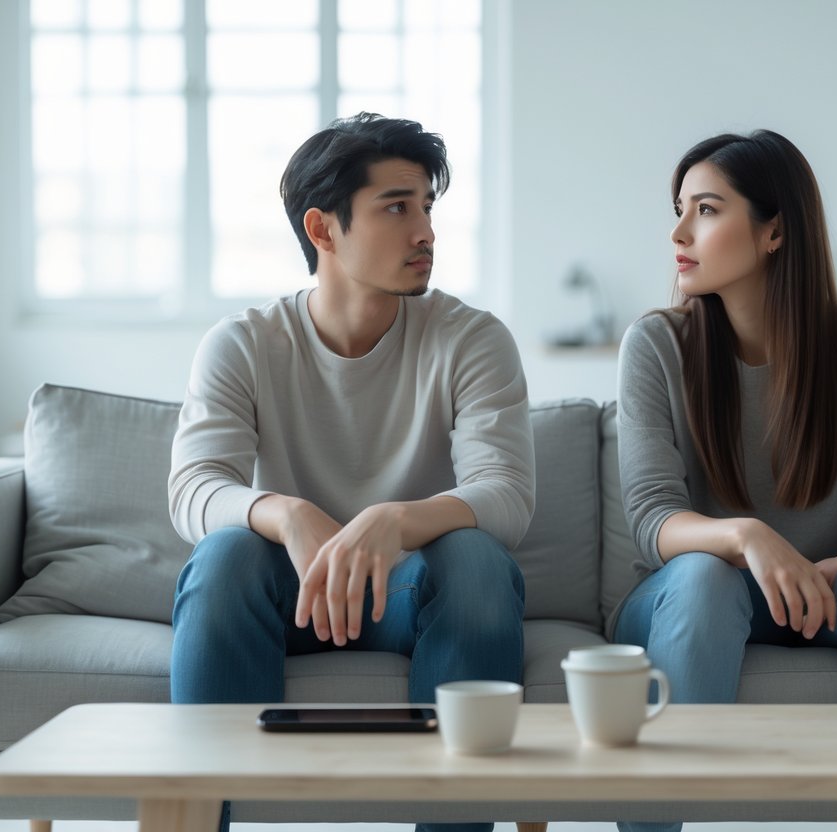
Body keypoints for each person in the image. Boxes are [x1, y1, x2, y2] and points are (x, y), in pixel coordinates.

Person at [168, 112, 535, 832]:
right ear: (323, 229)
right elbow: (194, 488)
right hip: (290, 589)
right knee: (224, 555)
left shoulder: (472, 339)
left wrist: (394, 519)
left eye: (427, 206)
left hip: (410, 589)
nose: (425, 231)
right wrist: (290, 515)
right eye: (396, 207)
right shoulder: (242, 343)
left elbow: (507, 494)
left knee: (475, 558)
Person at [613, 130, 837, 832]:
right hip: (686, 591)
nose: (678, 231)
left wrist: (814, 578)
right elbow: (651, 517)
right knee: (705, 574)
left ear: (773, 232)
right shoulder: (654, 344)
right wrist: (747, 537)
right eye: (678, 209)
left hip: (829, 587)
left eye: (705, 210)